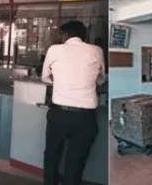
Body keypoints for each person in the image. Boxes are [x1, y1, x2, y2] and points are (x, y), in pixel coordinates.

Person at [41, 21, 105, 185]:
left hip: (59, 114)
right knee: (76, 163)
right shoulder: (97, 51)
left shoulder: (54, 50)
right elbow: (101, 79)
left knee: (52, 156)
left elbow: (45, 78)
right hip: (86, 117)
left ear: (66, 35)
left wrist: (61, 81)